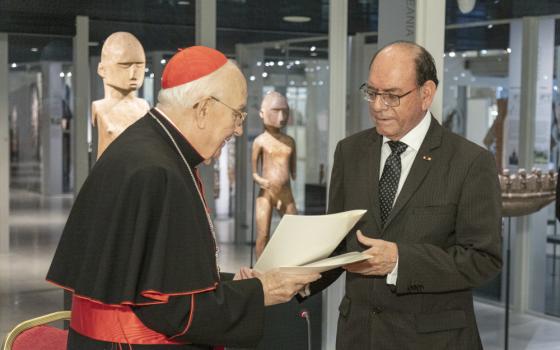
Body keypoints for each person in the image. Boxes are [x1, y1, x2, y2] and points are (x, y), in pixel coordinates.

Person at [47, 46, 320, 350]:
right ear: (203, 108)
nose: (240, 129)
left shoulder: (146, 148)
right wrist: (261, 290)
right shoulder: (159, 170)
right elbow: (175, 312)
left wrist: (231, 287)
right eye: (237, 114)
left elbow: (159, 282)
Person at [302, 41, 502, 349]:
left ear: (426, 94)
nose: (378, 105)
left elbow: (483, 259)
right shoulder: (349, 152)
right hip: (358, 336)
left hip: (434, 340)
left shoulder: (470, 162)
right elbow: (338, 245)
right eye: (372, 93)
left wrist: (399, 260)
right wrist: (290, 279)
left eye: (392, 96)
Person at [252, 91, 297, 258]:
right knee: (263, 235)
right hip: (267, 192)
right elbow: (254, 173)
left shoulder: (290, 141)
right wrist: (260, 179)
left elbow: (292, 171)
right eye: (276, 111)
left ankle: (290, 269)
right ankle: (260, 275)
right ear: (263, 113)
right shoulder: (260, 141)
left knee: (294, 232)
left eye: (285, 111)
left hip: (286, 192)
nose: (281, 116)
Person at [92, 32, 150, 159]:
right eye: (125, 65)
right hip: (110, 175)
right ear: (102, 70)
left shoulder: (144, 106)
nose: (133, 73)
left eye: (139, 65)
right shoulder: (99, 108)